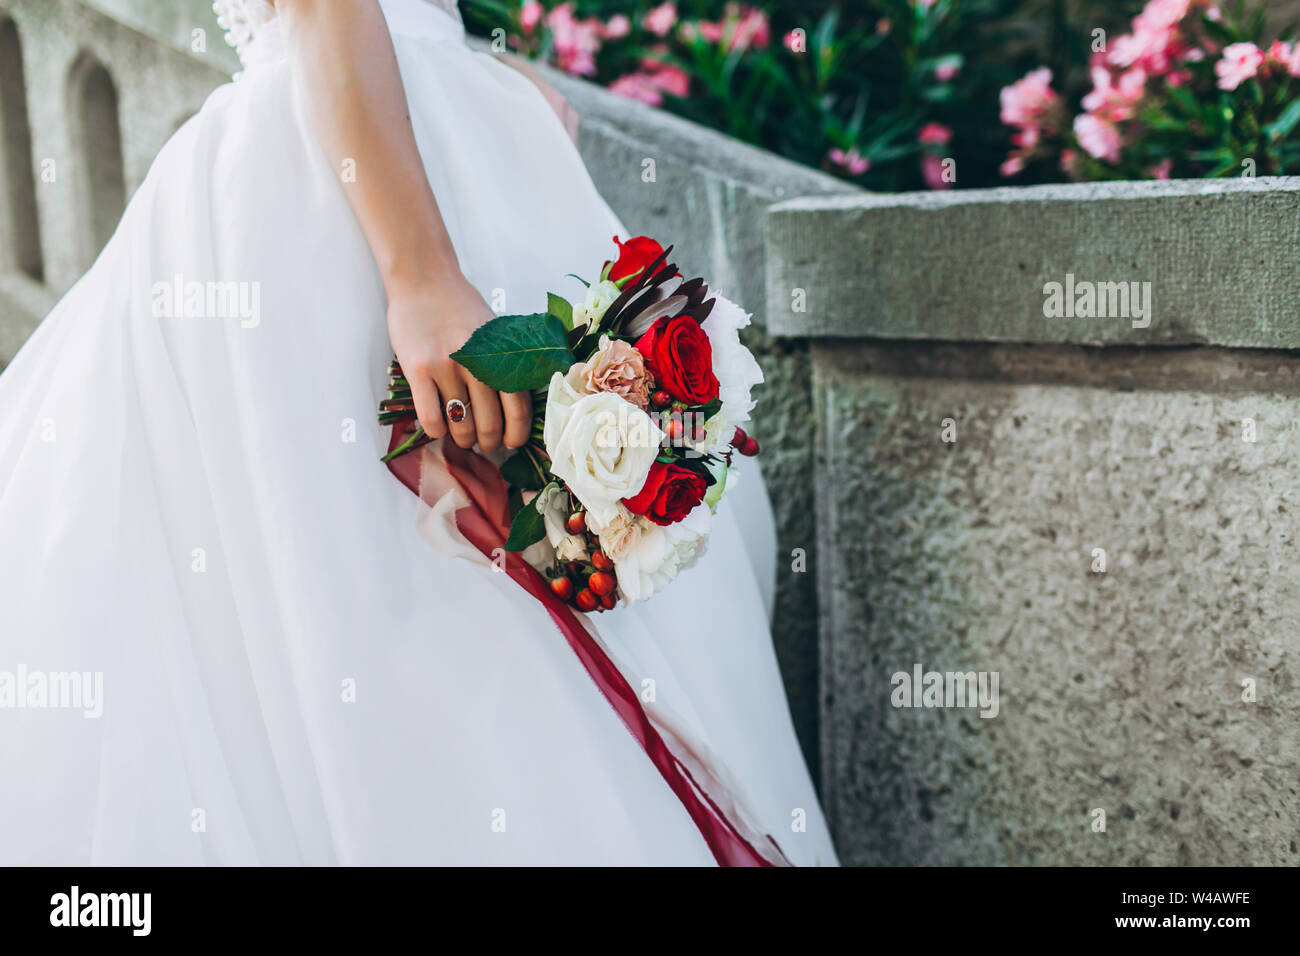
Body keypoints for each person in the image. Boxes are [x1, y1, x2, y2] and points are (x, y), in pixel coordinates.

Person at [0, 0, 836, 865]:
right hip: (360, 192)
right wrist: (421, 272)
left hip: (415, 132)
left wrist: (471, 55)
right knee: (435, 610)